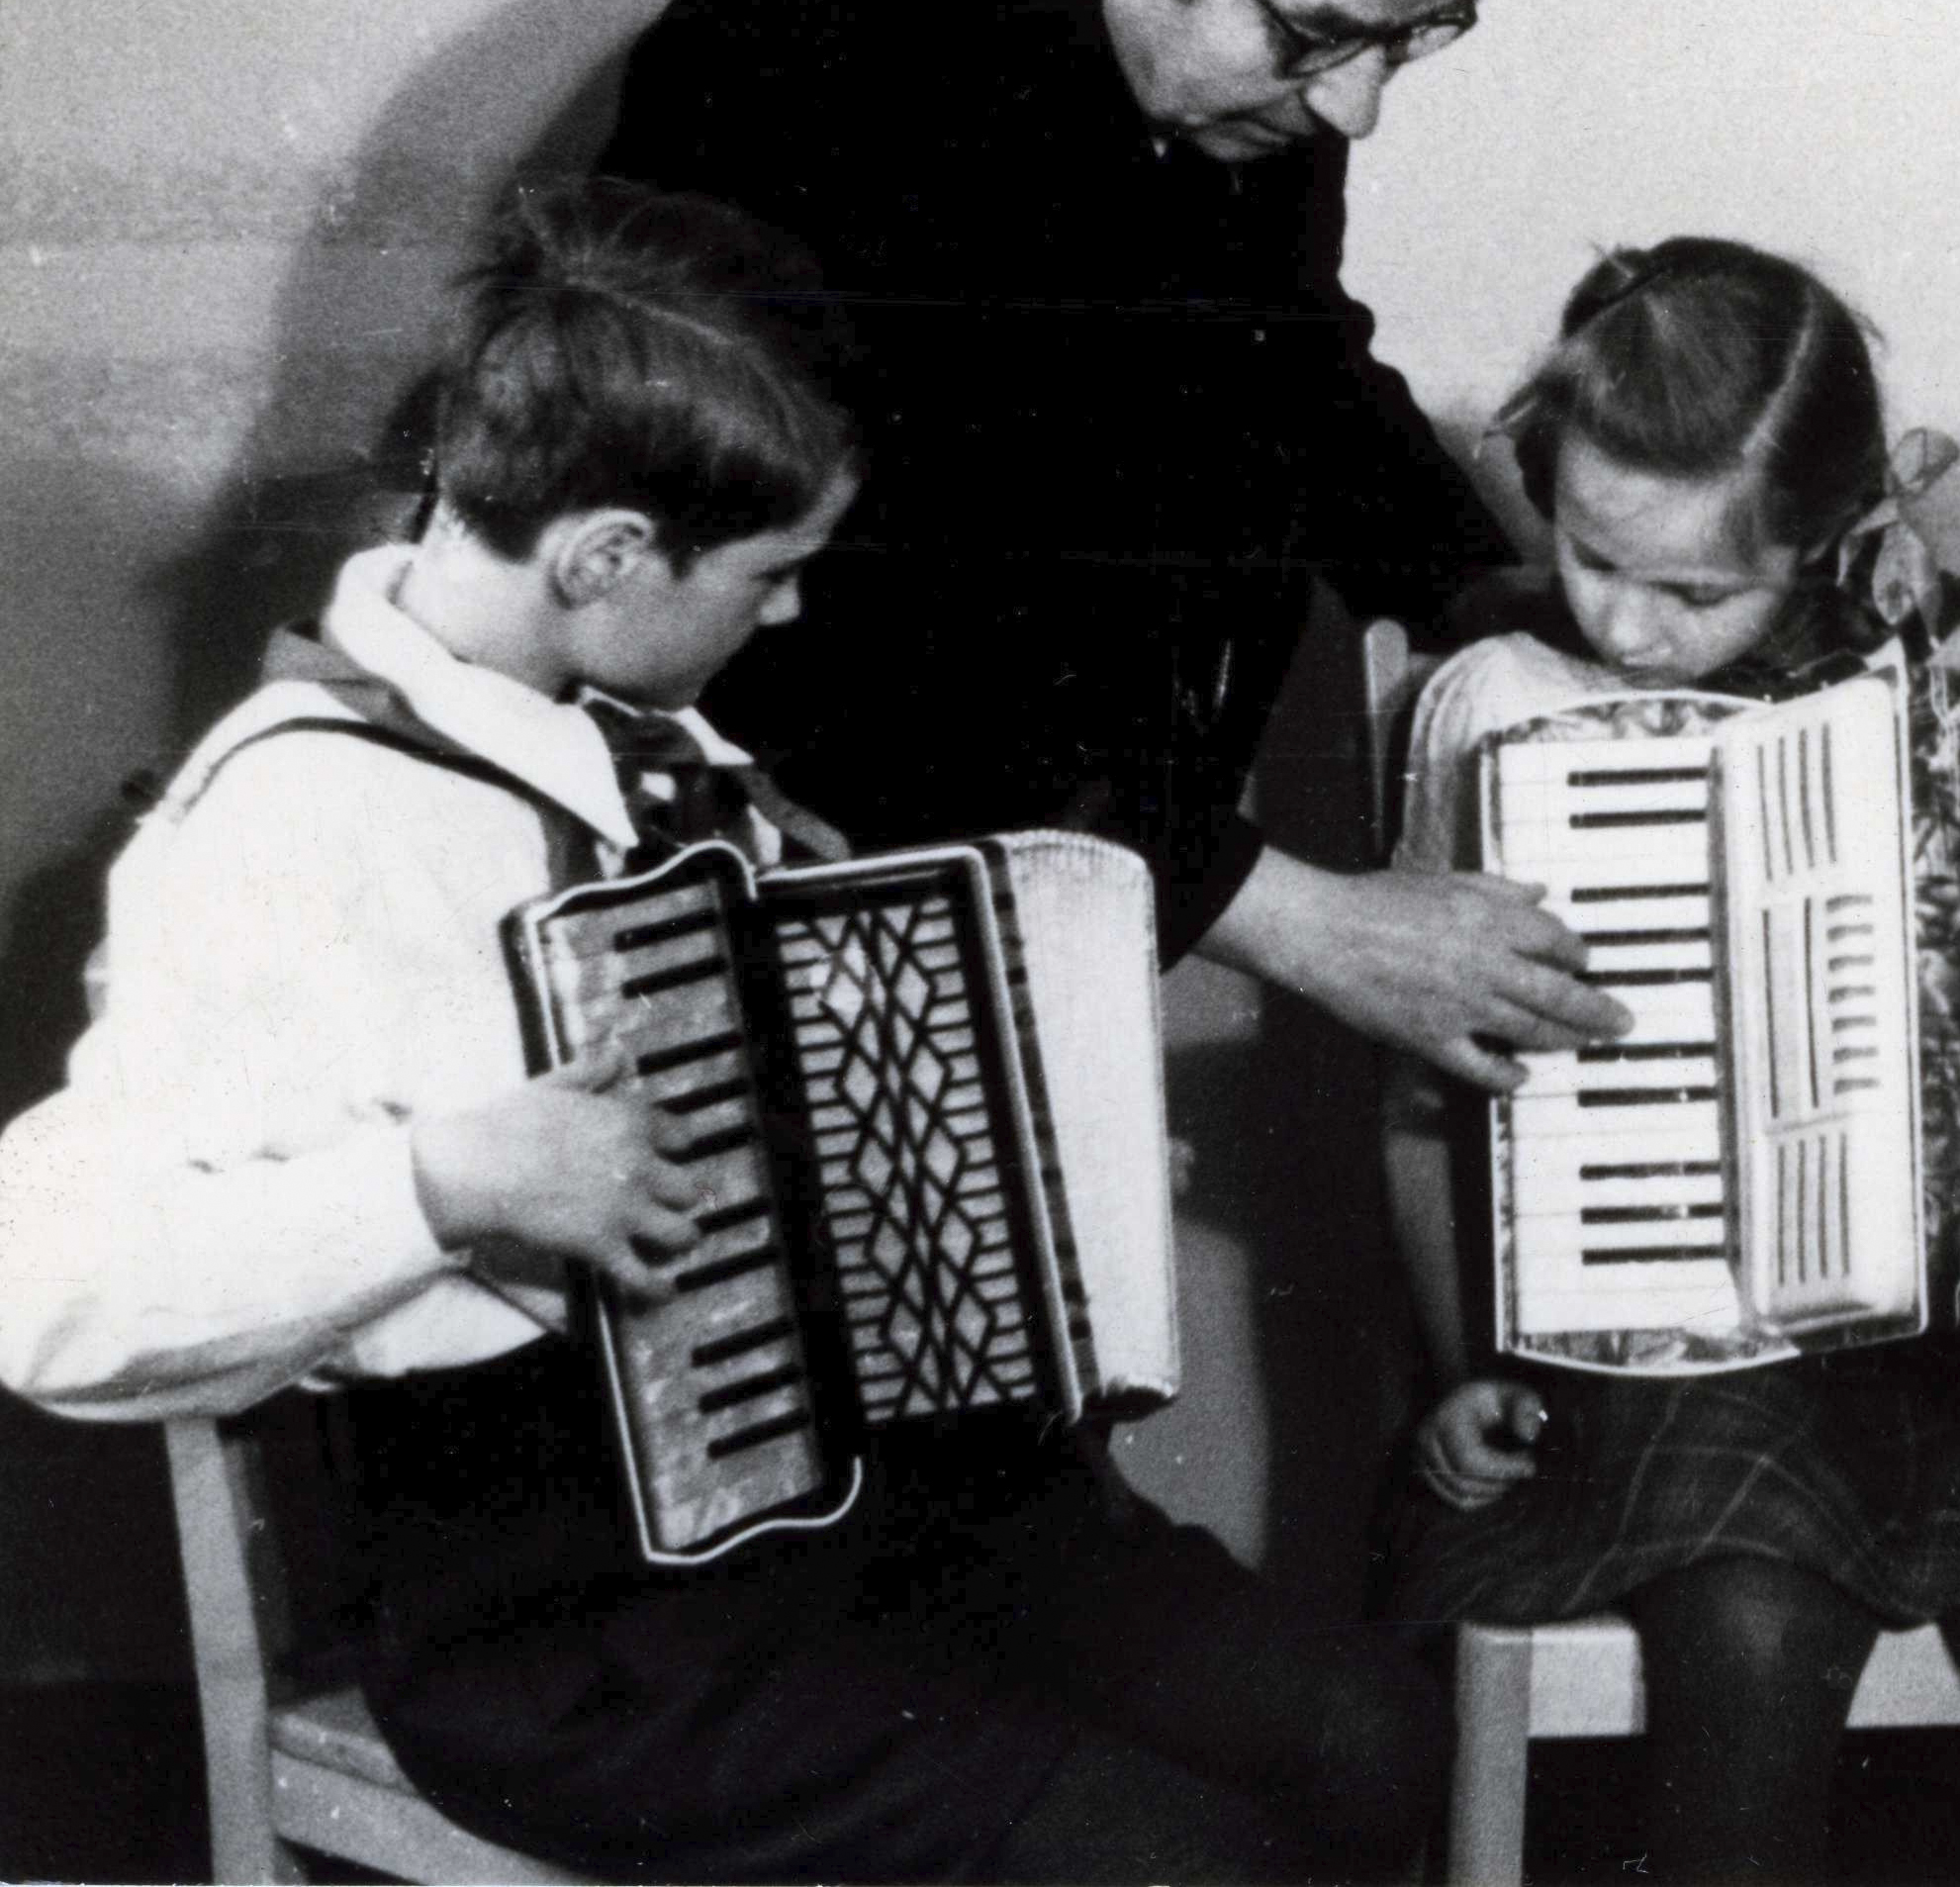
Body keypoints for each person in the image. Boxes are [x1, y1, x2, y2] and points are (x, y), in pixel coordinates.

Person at [0, 179, 1447, 1883]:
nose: (786, 617)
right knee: (1177, 1860)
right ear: (607, 556)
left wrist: (1006, 1159)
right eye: (769, 573)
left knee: (1370, 1732)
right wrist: (445, 1184)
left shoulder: (638, 732)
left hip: (871, 1532)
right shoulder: (289, 824)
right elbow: (46, 1289)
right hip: (576, 1631)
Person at [597, 0, 1620, 1100]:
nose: (1358, 105)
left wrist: (1472, 585)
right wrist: (1302, 919)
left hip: (1072, 832)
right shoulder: (872, 51)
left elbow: (1285, 341)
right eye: (1320, 38)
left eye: (1413, 31)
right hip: (814, 848)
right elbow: (863, 639)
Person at [1377, 240, 1960, 1884]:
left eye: (1695, 591)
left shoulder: (1956, 671)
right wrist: (1460, 1366)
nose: (1625, 622)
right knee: (1750, 1631)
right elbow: (1410, 1106)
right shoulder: (1496, 704)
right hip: (1637, 1358)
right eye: (1591, 555)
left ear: (1831, 539)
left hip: (1930, 1354)